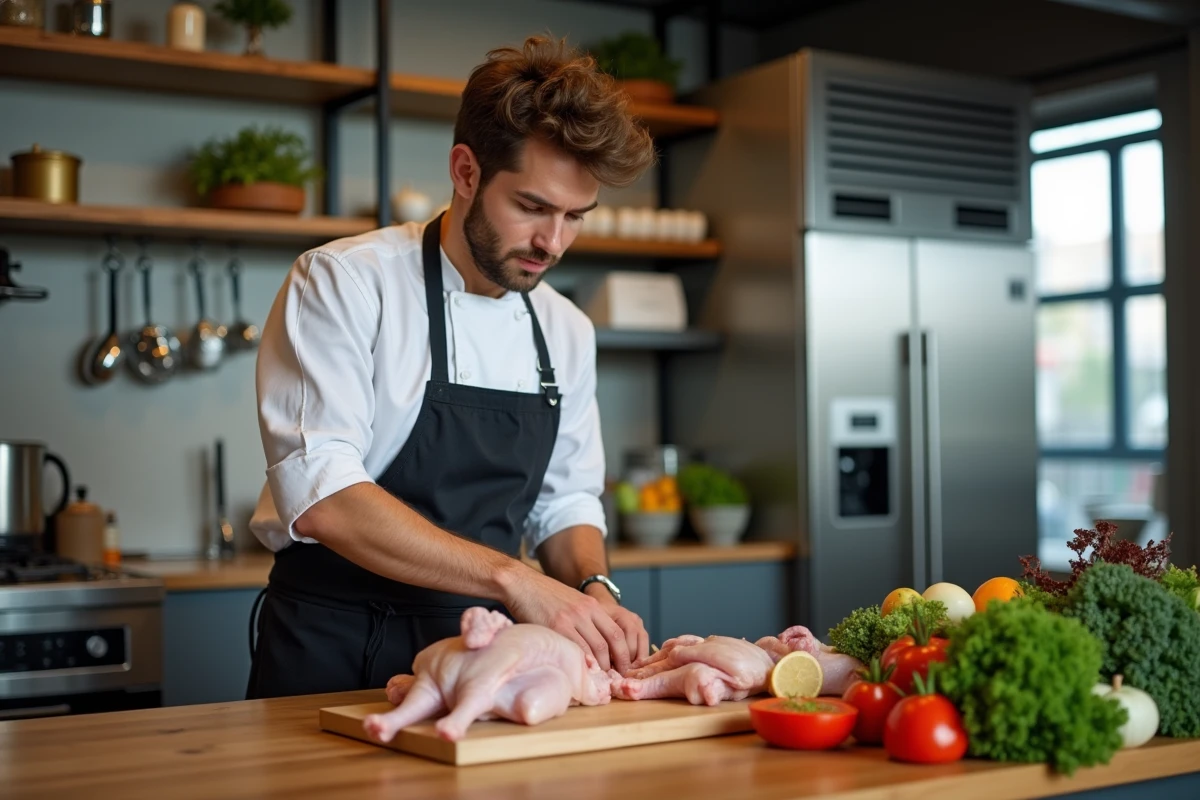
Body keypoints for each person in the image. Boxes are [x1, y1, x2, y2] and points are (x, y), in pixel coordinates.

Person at [244, 35, 658, 700]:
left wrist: (591, 590)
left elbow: (566, 502)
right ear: (466, 172)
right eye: (532, 207)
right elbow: (324, 497)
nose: (554, 243)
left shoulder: (566, 329)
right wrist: (518, 581)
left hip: (488, 655)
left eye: (575, 217)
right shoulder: (344, 283)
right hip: (333, 647)